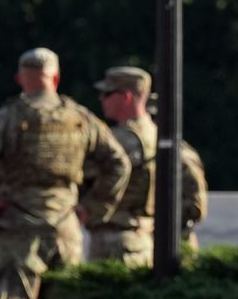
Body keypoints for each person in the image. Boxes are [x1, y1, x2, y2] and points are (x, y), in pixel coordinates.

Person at [0, 48, 129, 299]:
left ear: (19, 78)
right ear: (56, 77)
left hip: (18, 226)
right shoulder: (80, 117)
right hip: (66, 226)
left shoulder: (7, 117)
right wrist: (93, 208)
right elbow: (118, 163)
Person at [86, 65, 208, 265]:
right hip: (147, 240)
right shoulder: (169, 140)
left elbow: (83, 174)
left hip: (118, 241)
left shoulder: (123, 140)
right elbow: (195, 204)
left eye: (107, 93)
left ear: (126, 96)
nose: (101, 99)